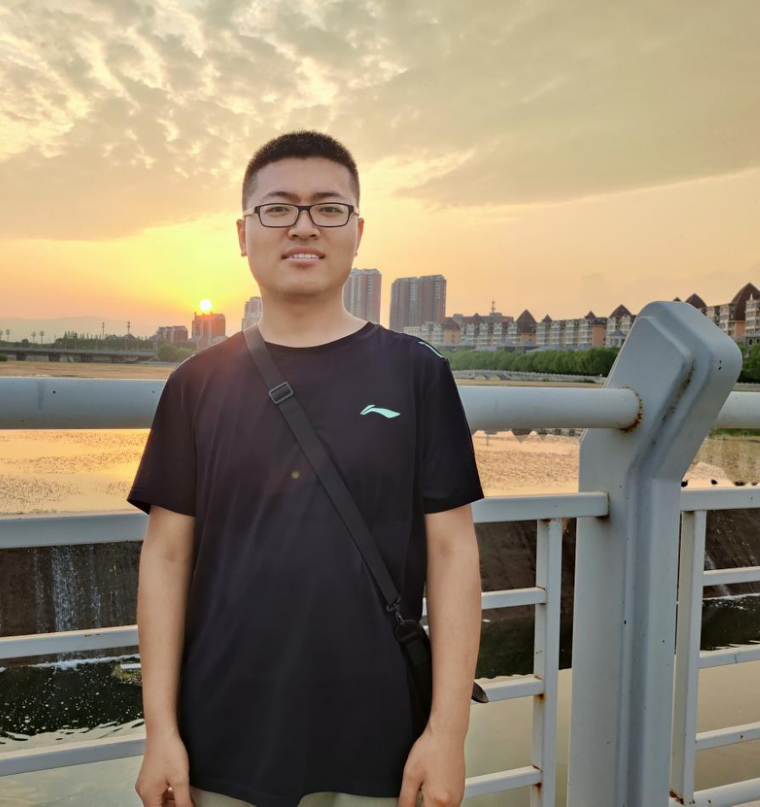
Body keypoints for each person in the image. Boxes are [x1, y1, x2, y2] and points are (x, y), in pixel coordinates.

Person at [128, 130, 485, 807]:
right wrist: (160, 731)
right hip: (221, 735)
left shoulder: (416, 375)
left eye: (328, 207)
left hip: (382, 736)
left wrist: (448, 733)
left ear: (357, 231)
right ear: (243, 233)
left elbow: (453, 552)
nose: (302, 226)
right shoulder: (196, 385)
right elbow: (167, 557)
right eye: (278, 208)